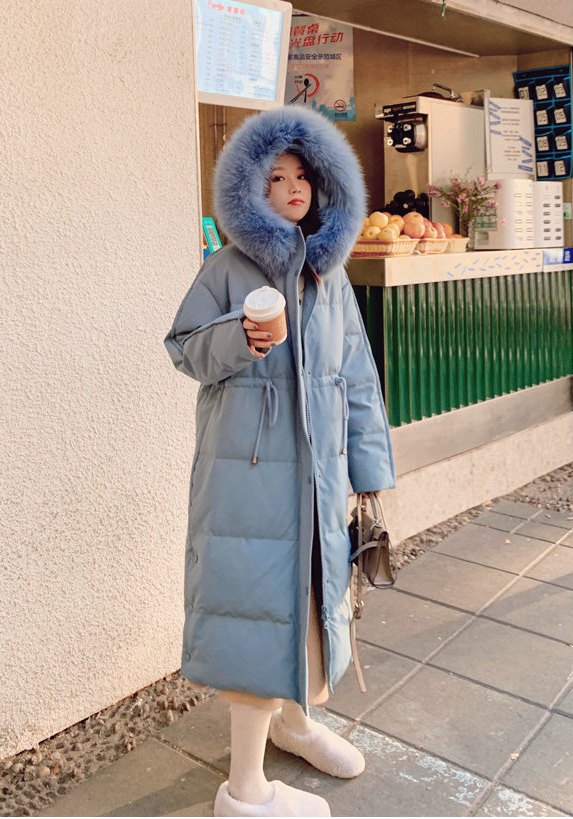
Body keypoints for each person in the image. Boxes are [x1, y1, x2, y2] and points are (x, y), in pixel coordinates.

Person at [164, 106, 396, 817]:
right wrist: (243, 337)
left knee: (312, 606)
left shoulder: (331, 277)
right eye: (275, 176)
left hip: (318, 481)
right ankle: (245, 789)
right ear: (249, 189)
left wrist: (369, 475)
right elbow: (184, 349)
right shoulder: (226, 269)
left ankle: (295, 725)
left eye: (303, 175)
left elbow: (356, 378)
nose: (292, 187)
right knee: (259, 613)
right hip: (250, 483)